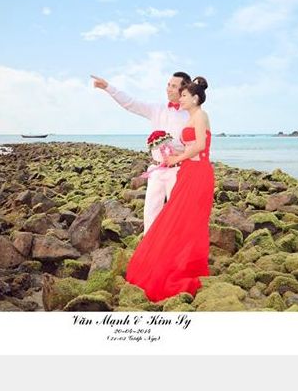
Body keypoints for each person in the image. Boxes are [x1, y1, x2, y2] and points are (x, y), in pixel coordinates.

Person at [125, 76, 214, 302]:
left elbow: (201, 146)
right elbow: (189, 146)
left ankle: (187, 262)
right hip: (188, 170)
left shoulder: (200, 115)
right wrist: (169, 153)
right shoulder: (191, 117)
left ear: (195, 98)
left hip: (199, 172)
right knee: (178, 217)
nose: (180, 98)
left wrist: (176, 159)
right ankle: (172, 258)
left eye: (184, 95)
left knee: (188, 219)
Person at [91, 71, 191, 232]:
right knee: (150, 213)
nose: (168, 88)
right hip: (157, 169)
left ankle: (176, 246)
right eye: (168, 84)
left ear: (184, 90)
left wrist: (178, 153)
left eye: (173, 86)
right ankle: (150, 245)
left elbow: (196, 145)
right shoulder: (157, 108)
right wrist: (108, 87)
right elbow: (131, 103)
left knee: (177, 215)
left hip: (178, 171)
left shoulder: (190, 115)